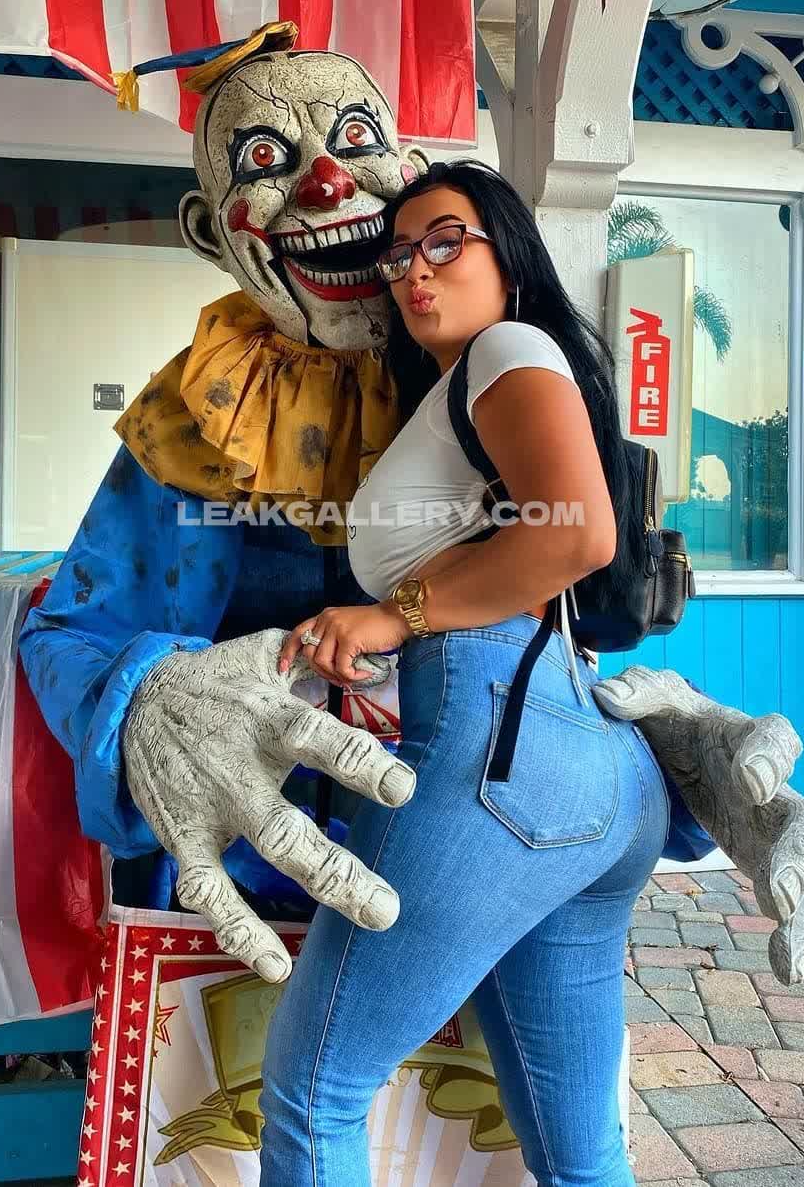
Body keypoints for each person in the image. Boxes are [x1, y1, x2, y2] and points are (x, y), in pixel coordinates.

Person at [265, 160, 670, 1186]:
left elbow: (576, 533)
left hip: (501, 755)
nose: (415, 268)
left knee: (314, 1091)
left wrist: (391, 613)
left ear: (510, 256)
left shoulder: (506, 347)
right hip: (587, 766)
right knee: (581, 1156)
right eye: (399, 252)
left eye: (446, 240)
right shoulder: (463, 391)